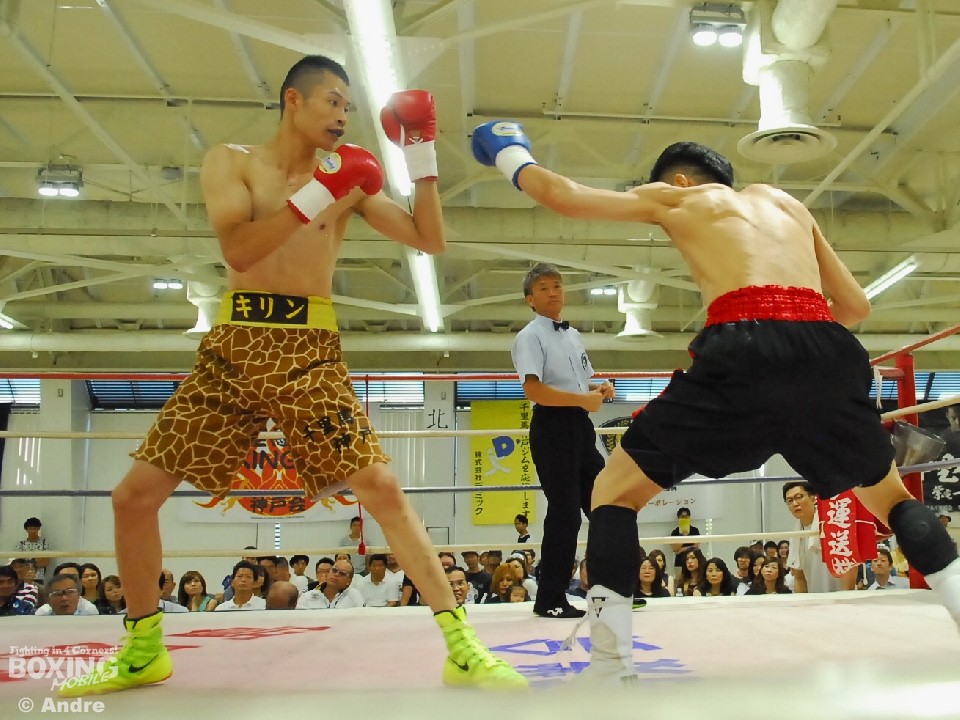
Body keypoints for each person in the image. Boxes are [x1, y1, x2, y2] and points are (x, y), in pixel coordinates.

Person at [62, 56, 524, 696]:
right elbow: (240, 249)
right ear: (293, 101)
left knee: (381, 488)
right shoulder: (232, 161)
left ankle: (462, 644)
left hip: (310, 347)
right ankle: (144, 649)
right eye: (332, 101)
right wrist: (321, 194)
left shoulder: (352, 176)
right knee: (132, 497)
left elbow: (430, 239)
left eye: (348, 107)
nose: (341, 116)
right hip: (235, 343)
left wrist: (420, 157)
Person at [471, 127, 960, 681]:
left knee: (612, 492)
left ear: (679, 180)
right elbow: (855, 306)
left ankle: (609, 666)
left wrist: (506, 146)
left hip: (741, 346)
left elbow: (559, 194)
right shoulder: (789, 205)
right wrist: (796, 350)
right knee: (888, 496)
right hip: (828, 348)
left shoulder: (682, 195)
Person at [512, 262, 615, 619]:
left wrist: (598, 388)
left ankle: (612, 590)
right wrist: (582, 399)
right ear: (530, 299)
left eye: (557, 285)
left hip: (580, 428)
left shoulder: (572, 335)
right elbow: (534, 389)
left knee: (604, 505)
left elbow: (578, 383)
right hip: (553, 428)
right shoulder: (529, 336)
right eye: (543, 287)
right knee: (565, 515)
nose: (553, 291)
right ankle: (550, 598)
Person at [783, 481, 856, 593]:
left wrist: (846, 596)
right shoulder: (795, 535)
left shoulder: (833, 524)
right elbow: (799, 577)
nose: (795, 503)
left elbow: (849, 565)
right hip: (815, 600)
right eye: (790, 501)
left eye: (799, 497)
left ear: (813, 498)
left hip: (841, 597)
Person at [35, 573, 100, 616]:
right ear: (48, 600)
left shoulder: (89, 611)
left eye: (69, 592)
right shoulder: (42, 614)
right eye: (57, 594)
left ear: (79, 595)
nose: (64, 598)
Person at [14, 517, 50, 584]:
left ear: (39, 529)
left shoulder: (44, 543)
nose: (33, 531)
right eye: (30, 529)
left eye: (35, 529)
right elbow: (18, 563)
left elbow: (45, 562)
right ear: (26, 530)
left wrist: (27, 561)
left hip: (38, 578)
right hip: (23, 578)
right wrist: (36, 561)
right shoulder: (21, 544)